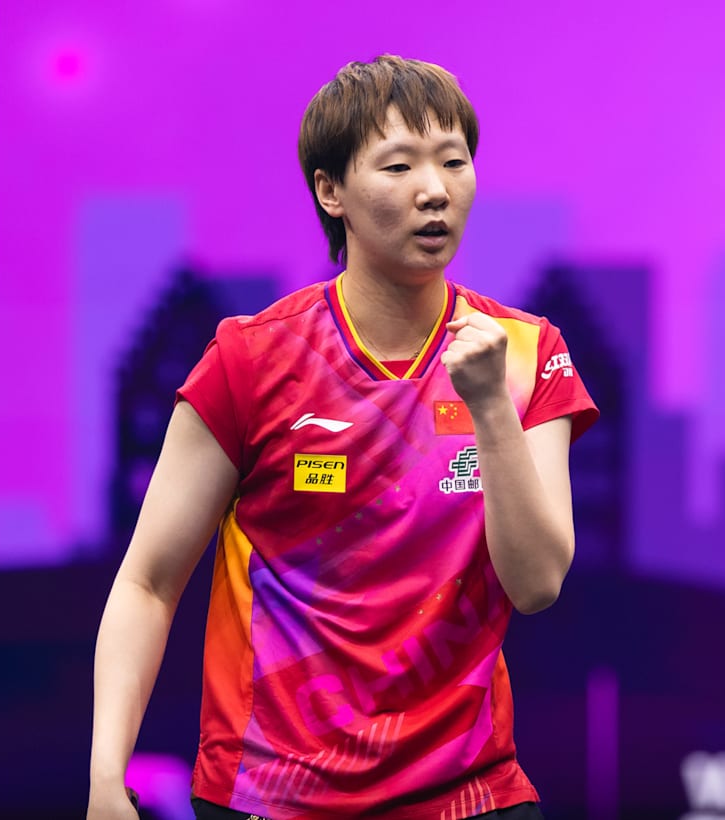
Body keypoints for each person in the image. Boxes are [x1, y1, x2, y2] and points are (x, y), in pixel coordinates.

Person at [88, 55, 598, 820]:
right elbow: (148, 583)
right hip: (270, 797)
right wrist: (105, 775)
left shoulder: (525, 353)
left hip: (466, 797)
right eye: (398, 166)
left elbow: (537, 584)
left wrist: (491, 407)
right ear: (331, 192)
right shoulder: (250, 360)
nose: (435, 190)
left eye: (453, 161)